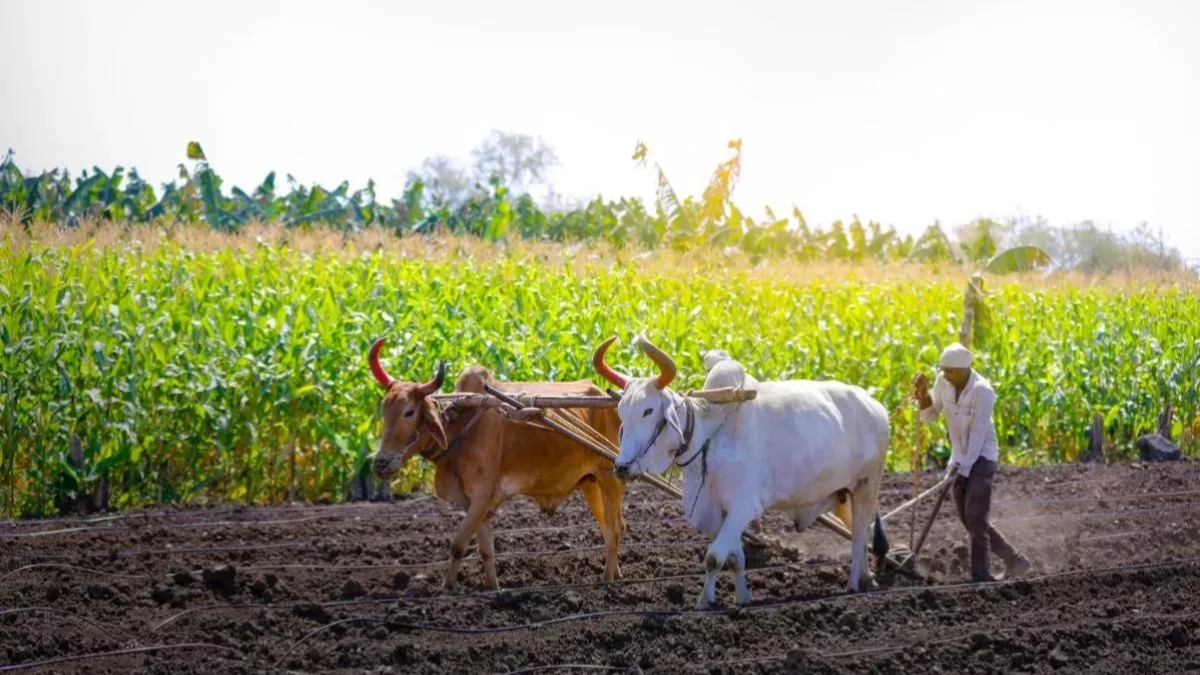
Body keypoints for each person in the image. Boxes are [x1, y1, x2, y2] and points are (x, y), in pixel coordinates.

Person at [913, 342, 1032, 582]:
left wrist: (964, 471)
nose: (945, 375)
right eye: (943, 370)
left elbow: (978, 435)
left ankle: (981, 575)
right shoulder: (943, 382)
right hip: (959, 457)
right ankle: (1014, 559)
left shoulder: (982, 391)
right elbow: (929, 416)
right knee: (970, 520)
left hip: (982, 458)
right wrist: (923, 395)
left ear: (964, 369)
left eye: (950, 371)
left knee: (976, 518)